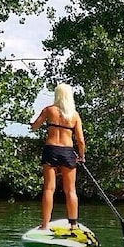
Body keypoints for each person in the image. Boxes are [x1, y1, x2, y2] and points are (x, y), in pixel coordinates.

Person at [29, 83, 86, 229]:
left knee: (49, 189)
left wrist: (32, 124)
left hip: (51, 150)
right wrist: (81, 156)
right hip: (67, 152)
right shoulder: (74, 115)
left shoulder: (49, 110)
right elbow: (80, 140)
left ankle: (45, 224)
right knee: (70, 190)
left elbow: (35, 127)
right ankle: (73, 225)